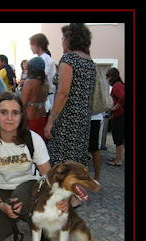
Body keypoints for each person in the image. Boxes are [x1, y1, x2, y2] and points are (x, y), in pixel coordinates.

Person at [0, 91, 68, 241]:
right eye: (3, 112)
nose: (9, 118)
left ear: (21, 116)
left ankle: (41, 225)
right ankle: (14, 217)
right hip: (1, 190)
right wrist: (1, 206)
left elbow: (48, 175)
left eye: (15, 113)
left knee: (20, 198)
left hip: (29, 188)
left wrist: (61, 197)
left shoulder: (33, 139)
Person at [44, 23, 96, 208]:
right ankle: (74, 198)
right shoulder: (89, 62)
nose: (62, 42)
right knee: (77, 157)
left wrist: (51, 120)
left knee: (61, 158)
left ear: (70, 39)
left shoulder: (69, 60)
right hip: (82, 117)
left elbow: (63, 93)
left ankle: (62, 198)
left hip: (67, 118)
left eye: (63, 38)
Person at [21, 57, 49, 140]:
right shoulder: (45, 82)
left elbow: (23, 103)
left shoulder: (29, 83)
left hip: (30, 118)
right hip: (42, 116)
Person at [29, 33, 56, 115]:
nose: (31, 47)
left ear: (38, 44)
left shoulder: (44, 59)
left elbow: (41, 79)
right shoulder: (44, 58)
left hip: (46, 100)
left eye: (32, 44)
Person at [105, 68, 125, 166]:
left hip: (119, 115)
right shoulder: (120, 85)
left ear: (112, 77)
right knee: (119, 138)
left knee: (118, 138)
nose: (107, 79)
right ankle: (117, 158)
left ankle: (118, 160)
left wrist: (114, 108)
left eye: (107, 76)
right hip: (120, 114)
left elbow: (123, 97)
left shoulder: (117, 86)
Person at [88, 113, 103, 182]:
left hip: (93, 118)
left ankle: (97, 177)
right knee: (94, 148)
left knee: (94, 149)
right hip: (93, 118)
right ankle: (97, 177)